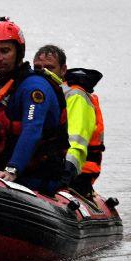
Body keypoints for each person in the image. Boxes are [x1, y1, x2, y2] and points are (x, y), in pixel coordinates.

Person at [0, 17, 68, 194]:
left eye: (5, 51)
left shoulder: (34, 87)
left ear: (18, 52)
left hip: (37, 180)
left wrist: (12, 170)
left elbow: (33, 128)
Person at [33, 44, 105, 200]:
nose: (43, 72)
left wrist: (66, 175)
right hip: (46, 167)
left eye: (49, 68)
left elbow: (77, 143)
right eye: (38, 68)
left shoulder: (75, 96)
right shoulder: (38, 95)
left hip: (76, 174)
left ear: (63, 70)